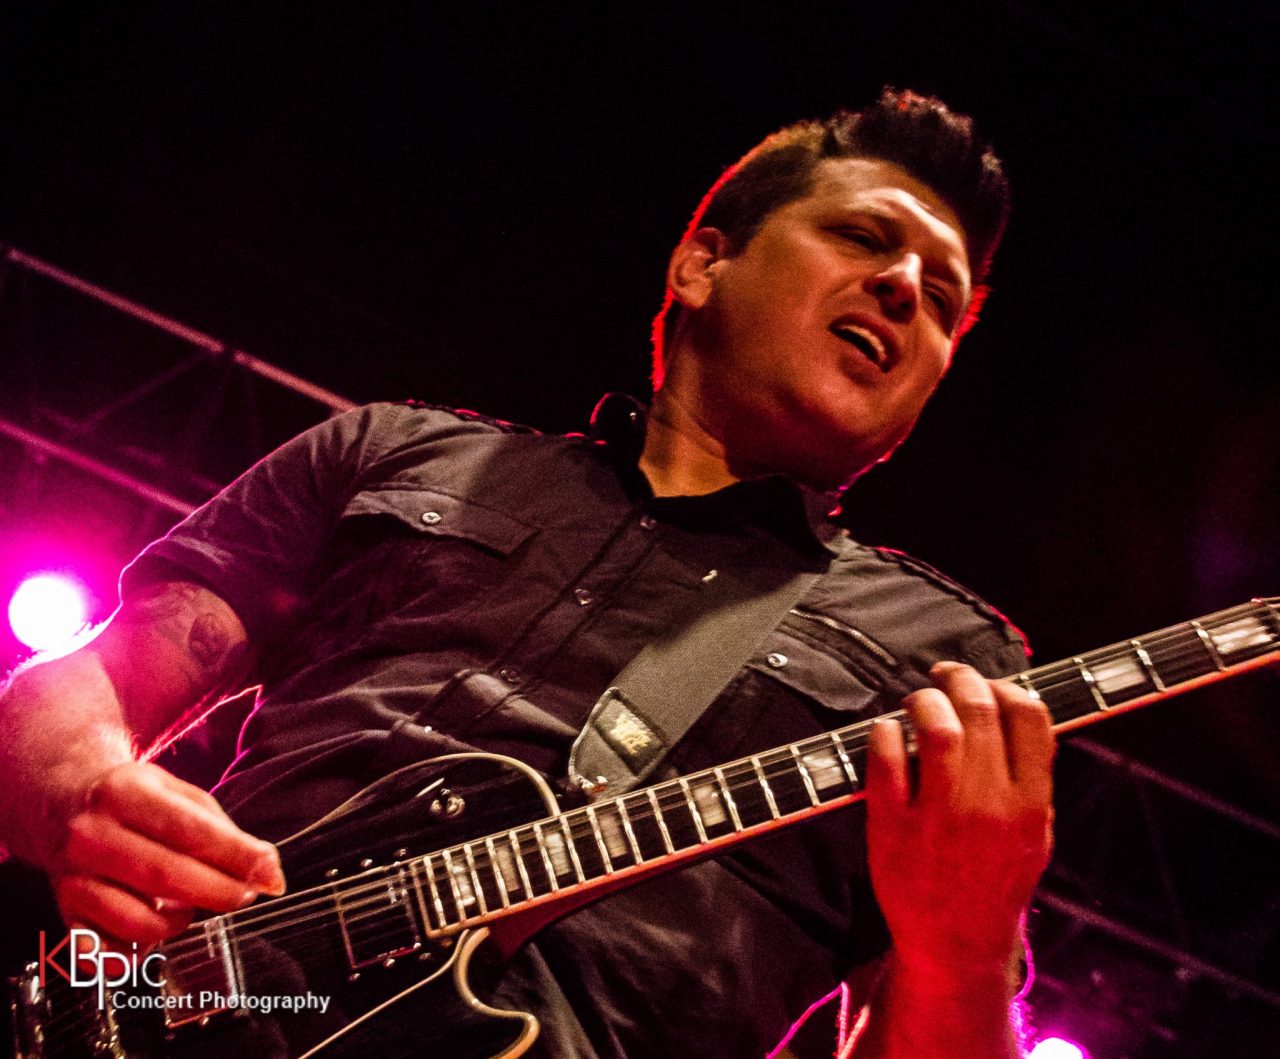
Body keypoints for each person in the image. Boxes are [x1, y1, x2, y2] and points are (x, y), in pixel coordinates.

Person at [0, 89, 1054, 1057]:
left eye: (943, 299)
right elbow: (100, 678)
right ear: (700, 265)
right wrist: (80, 785)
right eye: (863, 238)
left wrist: (962, 955)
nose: (904, 288)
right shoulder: (399, 451)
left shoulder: (947, 667)